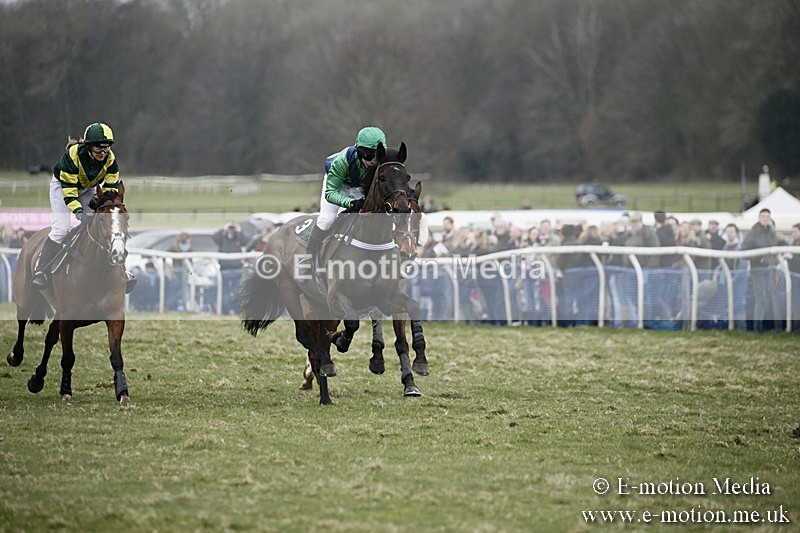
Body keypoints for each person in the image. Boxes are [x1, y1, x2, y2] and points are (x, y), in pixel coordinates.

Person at [32, 122, 125, 289]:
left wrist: (106, 206)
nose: (103, 152)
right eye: (98, 148)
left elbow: (110, 189)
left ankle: (121, 269)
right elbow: (70, 193)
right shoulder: (73, 156)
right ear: (88, 147)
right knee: (62, 228)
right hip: (63, 188)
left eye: (106, 147)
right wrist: (79, 212)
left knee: (104, 224)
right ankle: (41, 270)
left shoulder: (110, 159)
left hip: (88, 188)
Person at [305, 126, 387, 261]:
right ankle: (307, 256)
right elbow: (330, 193)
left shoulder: (382, 163)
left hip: (359, 187)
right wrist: (351, 203)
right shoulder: (342, 162)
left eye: (377, 155)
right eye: (368, 155)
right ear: (358, 152)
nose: (373, 160)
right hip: (339, 185)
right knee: (327, 220)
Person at [741, 208, 781, 332]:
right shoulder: (753, 232)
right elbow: (744, 251)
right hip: (757, 269)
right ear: (759, 218)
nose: (765, 219)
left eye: (767, 216)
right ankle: (757, 327)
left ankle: (768, 326)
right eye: (763, 216)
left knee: (769, 297)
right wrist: (759, 259)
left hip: (770, 269)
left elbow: (776, 248)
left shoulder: (771, 232)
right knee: (761, 297)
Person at [213, 221, 246, 314]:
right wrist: (224, 229)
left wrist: (239, 231)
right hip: (224, 269)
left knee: (237, 291)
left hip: (237, 269)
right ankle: (225, 311)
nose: (231, 229)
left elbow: (247, 241)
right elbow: (214, 237)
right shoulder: (222, 237)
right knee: (225, 291)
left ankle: (236, 310)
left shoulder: (238, 237)